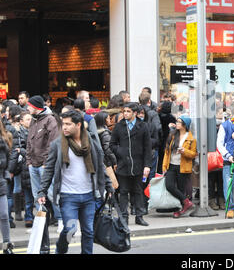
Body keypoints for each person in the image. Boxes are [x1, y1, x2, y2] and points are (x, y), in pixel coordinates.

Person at [37, 110, 114, 254]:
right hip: (68, 196)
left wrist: (109, 186)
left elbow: (99, 165)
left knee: (88, 231)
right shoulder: (58, 144)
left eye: (68, 124)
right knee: (70, 229)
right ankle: (60, 250)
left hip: (89, 195)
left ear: (78, 125)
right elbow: (49, 169)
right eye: (63, 124)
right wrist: (42, 190)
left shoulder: (91, 142)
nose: (64, 127)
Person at [110, 102, 152, 226]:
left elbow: (147, 148)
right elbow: (112, 144)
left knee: (138, 191)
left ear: (135, 113)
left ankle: (139, 216)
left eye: (128, 111)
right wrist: (120, 151)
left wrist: (147, 165)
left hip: (138, 164)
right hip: (123, 164)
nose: (125, 114)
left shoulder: (143, 126)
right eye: (124, 111)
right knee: (123, 192)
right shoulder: (119, 126)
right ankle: (123, 217)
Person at [26, 95, 63, 233]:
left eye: (30, 105)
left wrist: (46, 163)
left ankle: (61, 220)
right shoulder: (33, 120)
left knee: (52, 194)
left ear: (36, 107)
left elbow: (53, 144)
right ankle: (41, 224)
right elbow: (29, 141)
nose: (27, 108)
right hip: (34, 164)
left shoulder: (50, 120)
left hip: (44, 165)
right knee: (37, 196)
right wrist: (29, 162)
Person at [162, 115, 197, 218]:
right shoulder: (173, 135)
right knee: (169, 185)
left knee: (181, 189)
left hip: (183, 166)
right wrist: (164, 166)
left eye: (179, 122)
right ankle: (187, 202)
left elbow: (193, 154)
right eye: (177, 121)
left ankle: (180, 210)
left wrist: (184, 151)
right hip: (171, 165)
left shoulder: (191, 138)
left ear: (185, 125)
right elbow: (167, 152)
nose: (176, 123)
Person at [0, 120, 13, 253]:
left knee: (4, 214)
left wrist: (6, 175)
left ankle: (6, 245)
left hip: (0, 181)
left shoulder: (3, 142)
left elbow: (7, 163)